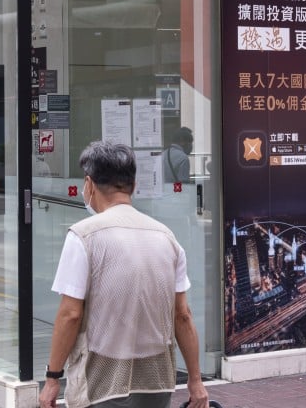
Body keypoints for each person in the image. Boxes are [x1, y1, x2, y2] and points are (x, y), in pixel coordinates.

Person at [38, 141, 208, 408]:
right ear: (134, 185)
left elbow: (70, 314)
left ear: (89, 185)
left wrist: (52, 379)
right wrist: (195, 381)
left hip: (101, 383)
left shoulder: (83, 236)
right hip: (157, 381)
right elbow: (182, 316)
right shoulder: (167, 239)